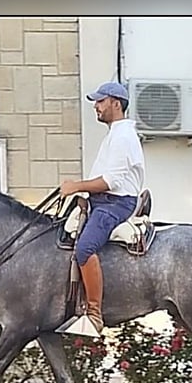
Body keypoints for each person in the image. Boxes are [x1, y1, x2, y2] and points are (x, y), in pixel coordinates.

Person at [58, 81, 145, 335]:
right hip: (103, 200)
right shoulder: (115, 134)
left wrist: (75, 186)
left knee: (85, 248)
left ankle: (95, 314)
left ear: (116, 104)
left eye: (100, 101)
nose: (96, 106)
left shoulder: (123, 137)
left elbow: (110, 181)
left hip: (116, 203)